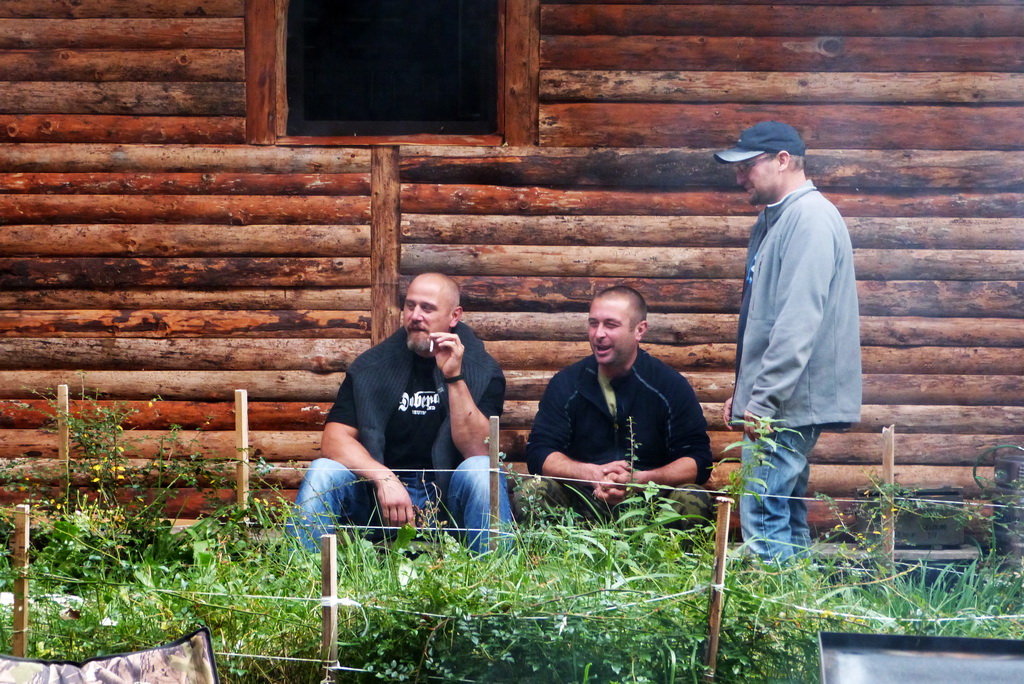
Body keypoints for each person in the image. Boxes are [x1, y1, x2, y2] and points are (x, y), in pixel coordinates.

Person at [714, 121, 862, 562]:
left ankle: (773, 604)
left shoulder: (809, 219)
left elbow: (798, 322)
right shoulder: (777, 219)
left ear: (782, 160)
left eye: (747, 166)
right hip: (781, 400)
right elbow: (768, 321)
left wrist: (763, 400)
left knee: (764, 517)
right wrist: (747, 393)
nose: (739, 177)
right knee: (786, 515)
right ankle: (798, 602)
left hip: (786, 404)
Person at [290, 273, 511, 553]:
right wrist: (384, 478)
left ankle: (494, 573)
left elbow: (480, 450)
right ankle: (302, 571)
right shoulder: (371, 367)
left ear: (454, 316)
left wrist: (454, 378)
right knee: (323, 471)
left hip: (450, 503)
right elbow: (334, 440)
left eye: (427, 308)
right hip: (379, 502)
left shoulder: (483, 370)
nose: (415, 316)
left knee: (481, 470)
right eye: (410, 305)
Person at [519, 286, 713, 523]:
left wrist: (641, 480)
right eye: (593, 324)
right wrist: (591, 474)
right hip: (581, 503)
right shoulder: (567, 384)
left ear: (639, 330)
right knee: (533, 491)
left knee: (693, 497)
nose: (598, 334)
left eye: (610, 325)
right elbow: (539, 453)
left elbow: (699, 460)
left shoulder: (669, 385)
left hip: (651, 505)